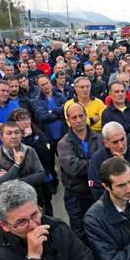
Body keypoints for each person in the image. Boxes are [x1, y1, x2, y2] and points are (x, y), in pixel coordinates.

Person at [57, 102, 103, 242]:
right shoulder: (63, 144)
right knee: (80, 232)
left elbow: (106, 163)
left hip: (96, 192)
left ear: (86, 116)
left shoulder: (99, 138)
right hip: (76, 195)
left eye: (81, 116)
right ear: (68, 121)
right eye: (74, 117)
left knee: (99, 229)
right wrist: (96, 163)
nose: (78, 120)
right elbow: (74, 168)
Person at [89, 121, 130, 200]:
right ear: (106, 143)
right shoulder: (97, 159)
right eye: (115, 142)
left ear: (125, 135)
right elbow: (96, 190)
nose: (120, 145)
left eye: (122, 139)